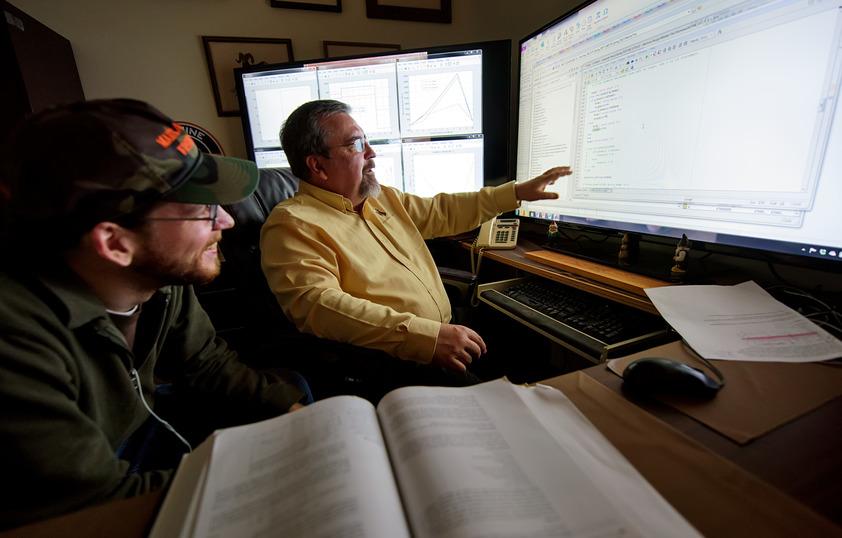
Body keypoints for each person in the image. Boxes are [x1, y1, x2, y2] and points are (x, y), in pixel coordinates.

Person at [0, 99, 312, 529]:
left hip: (136, 421)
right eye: (202, 208)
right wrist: (290, 479)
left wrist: (305, 419)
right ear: (114, 243)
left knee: (290, 388)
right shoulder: (14, 338)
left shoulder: (159, 277)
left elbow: (206, 362)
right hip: (79, 492)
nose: (227, 220)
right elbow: (98, 506)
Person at [260, 99, 571, 381]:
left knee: (532, 341)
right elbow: (319, 306)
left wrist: (515, 194)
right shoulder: (292, 224)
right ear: (317, 165)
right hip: (395, 358)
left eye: (367, 141)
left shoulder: (382, 199)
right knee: (503, 398)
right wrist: (426, 338)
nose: (371, 153)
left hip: (444, 330)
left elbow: (441, 211)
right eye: (356, 145)